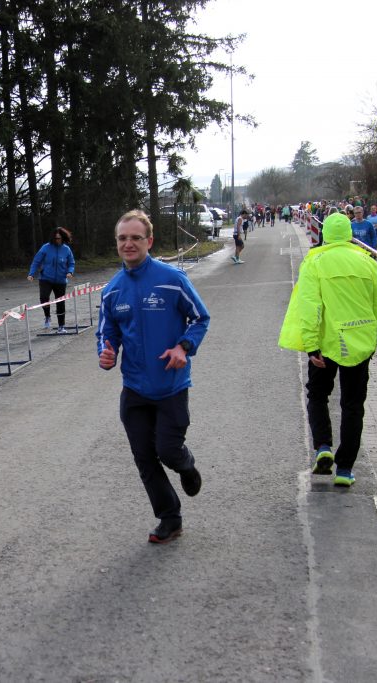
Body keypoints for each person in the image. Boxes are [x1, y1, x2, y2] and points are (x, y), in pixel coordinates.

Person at [97, 209, 210, 544]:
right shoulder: (112, 291)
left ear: (149, 241)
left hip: (171, 385)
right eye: (122, 238)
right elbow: (108, 333)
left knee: (168, 451)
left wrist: (183, 347)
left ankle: (186, 466)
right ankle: (169, 518)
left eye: (135, 238)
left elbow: (200, 318)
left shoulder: (171, 279)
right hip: (134, 389)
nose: (128, 244)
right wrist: (105, 353)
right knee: (144, 458)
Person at [278, 213, 377, 487]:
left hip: (326, 345)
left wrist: (311, 345)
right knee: (353, 405)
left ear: (325, 234)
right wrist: (376, 337)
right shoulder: (368, 262)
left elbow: (309, 308)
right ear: (349, 234)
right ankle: (345, 469)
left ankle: (323, 446)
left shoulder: (314, 262)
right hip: (361, 343)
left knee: (318, 396)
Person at [27, 227, 76, 332]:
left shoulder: (66, 249)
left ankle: (61, 326)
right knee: (44, 298)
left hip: (61, 280)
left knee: (60, 302)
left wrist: (70, 272)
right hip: (46, 278)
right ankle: (47, 316)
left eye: (59, 238)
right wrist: (31, 274)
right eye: (55, 238)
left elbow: (71, 263)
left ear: (63, 238)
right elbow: (36, 261)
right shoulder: (45, 248)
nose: (57, 240)